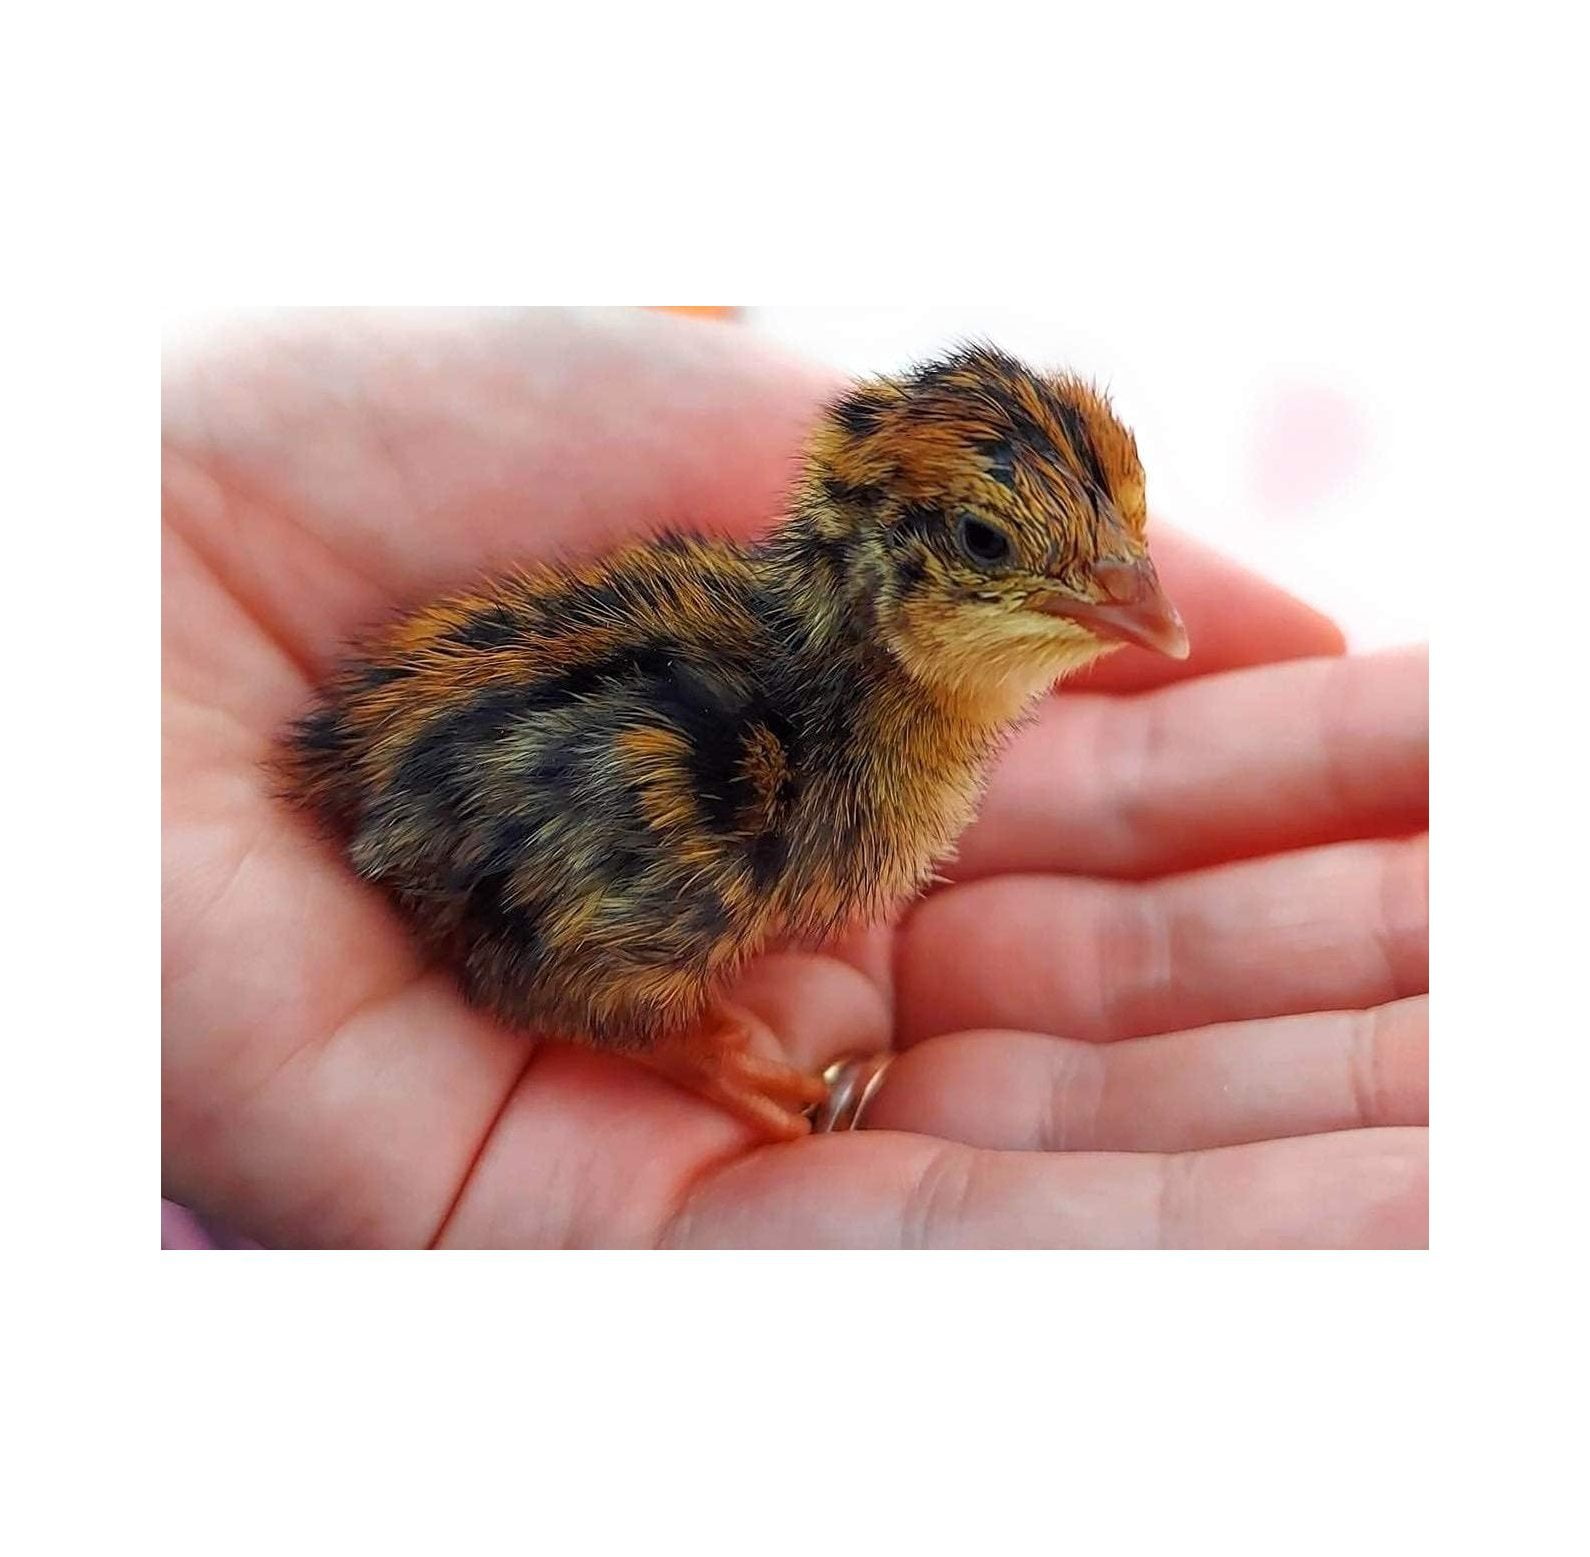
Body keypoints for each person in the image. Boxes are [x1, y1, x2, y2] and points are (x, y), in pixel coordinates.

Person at [161, 308, 1427, 1248]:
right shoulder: (761, 785)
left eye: (1123, 541)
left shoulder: (805, 709)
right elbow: (560, 913)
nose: (1134, 592)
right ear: (873, 561)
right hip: (474, 830)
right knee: (645, 862)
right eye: (991, 545)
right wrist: (670, 1031)